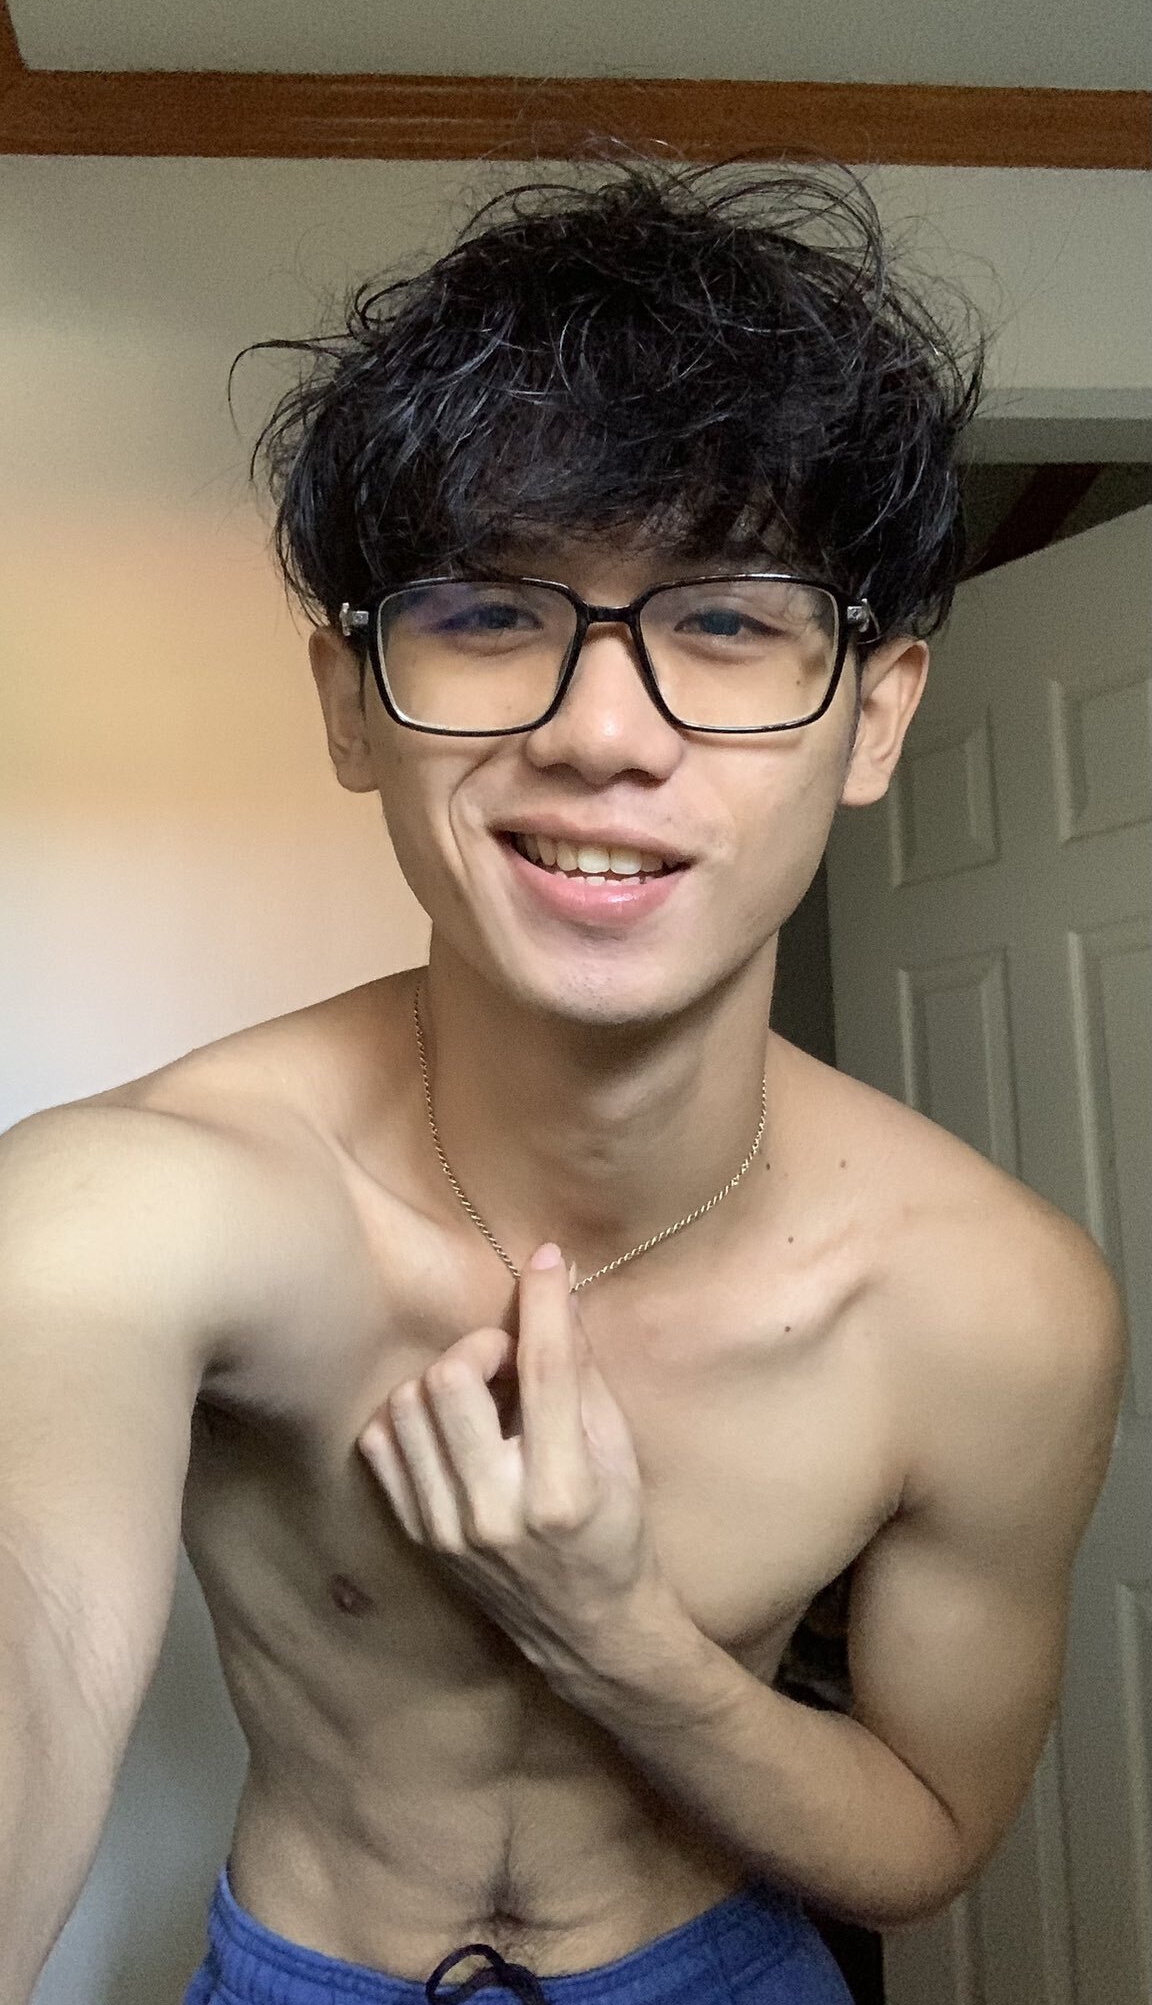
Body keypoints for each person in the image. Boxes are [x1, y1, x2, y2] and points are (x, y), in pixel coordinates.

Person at [0, 160, 1127, 2005]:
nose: (601, 733)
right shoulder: (130, 1200)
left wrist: (618, 1635)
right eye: (484, 611)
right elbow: (28, 1626)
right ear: (352, 703)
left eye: (730, 621)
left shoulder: (994, 1307)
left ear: (877, 716)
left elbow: (929, 1837)